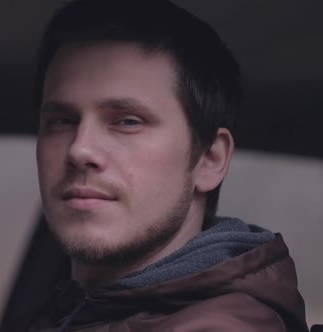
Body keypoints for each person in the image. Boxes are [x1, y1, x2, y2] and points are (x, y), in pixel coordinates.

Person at [29, 0, 309, 331]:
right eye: (61, 121)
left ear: (210, 159)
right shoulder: (77, 309)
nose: (80, 149)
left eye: (128, 121)